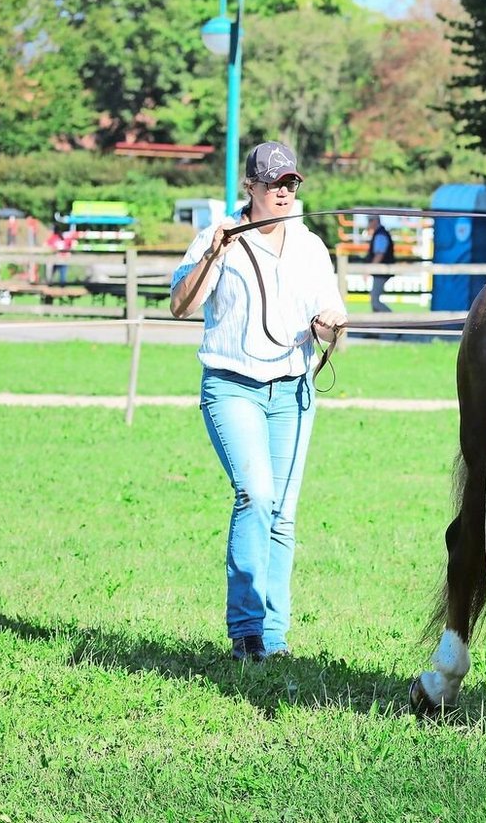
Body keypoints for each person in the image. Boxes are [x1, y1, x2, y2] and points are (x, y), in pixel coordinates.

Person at [168, 140, 347, 663]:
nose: (285, 192)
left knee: (283, 515)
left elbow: (332, 317)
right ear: (251, 186)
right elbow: (181, 305)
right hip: (232, 386)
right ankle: (245, 630)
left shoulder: (311, 246)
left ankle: (273, 635)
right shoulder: (217, 237)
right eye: (274, 184)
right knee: (256, 495)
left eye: (291, 183)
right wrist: (213, 253)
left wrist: (329, 328)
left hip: (292, 390)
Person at [367, 215, 394, 312]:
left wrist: (369, 270)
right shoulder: (380, 233)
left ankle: (395, 320)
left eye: (370, 220)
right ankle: (379, 324)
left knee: (375, 300)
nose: (368, 223)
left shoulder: (380, 234)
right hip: (381, 270)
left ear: (375, 221)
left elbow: (379, 254)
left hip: (381, 271)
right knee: (375, 300)